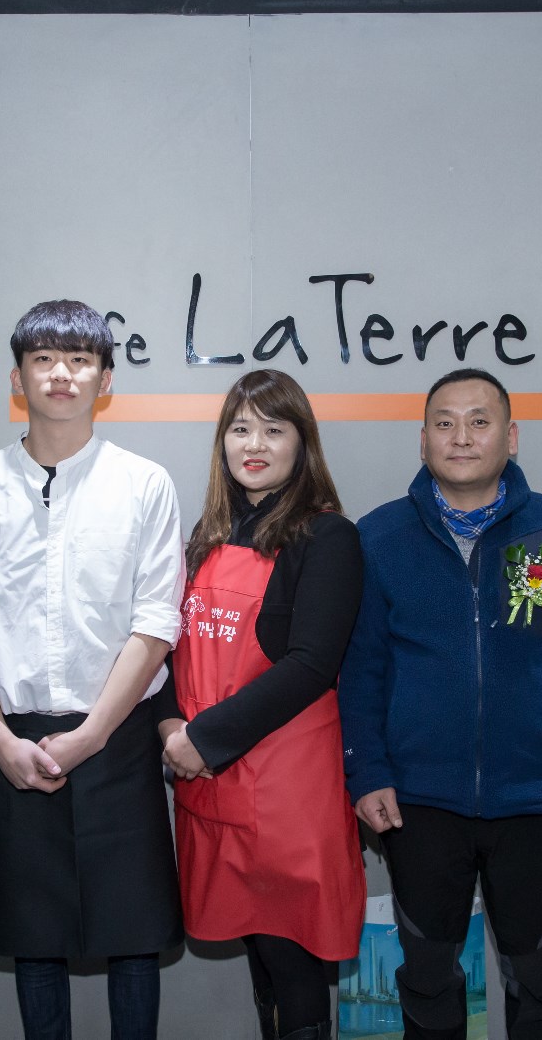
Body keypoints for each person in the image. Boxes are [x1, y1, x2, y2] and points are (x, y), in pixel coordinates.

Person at [339, 367, 542, 1040]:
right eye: (444, 423)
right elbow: (361, 672)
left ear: (511, 436)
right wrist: (367, 771)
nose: (461, 437)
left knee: (538, 979)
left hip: (533, 799)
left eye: (479, 421)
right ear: (423, 440)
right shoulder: (378, 538)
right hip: (418, 805)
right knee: (427, 978)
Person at [0, 299, 184, 1040]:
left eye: (80, 359)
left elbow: (156, 623)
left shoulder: (144, 483)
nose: (61, 374)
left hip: (118, 736)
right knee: (33, 937)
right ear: (18, 378)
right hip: (14, 739)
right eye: (43, 359)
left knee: (133, 934)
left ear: (105, 380)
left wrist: (94, 734)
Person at [159, 369, 367, 1040]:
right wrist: (170, 725)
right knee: (261, 963)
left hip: (284, 792)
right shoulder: (208, 535)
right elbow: (171, 647)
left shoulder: (327, 538)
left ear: (303, 444)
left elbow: (312, 665)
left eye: (274, 430)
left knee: (292, 961)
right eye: (240, 429)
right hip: (210, 781)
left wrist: (202, 739)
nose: (254, 445)